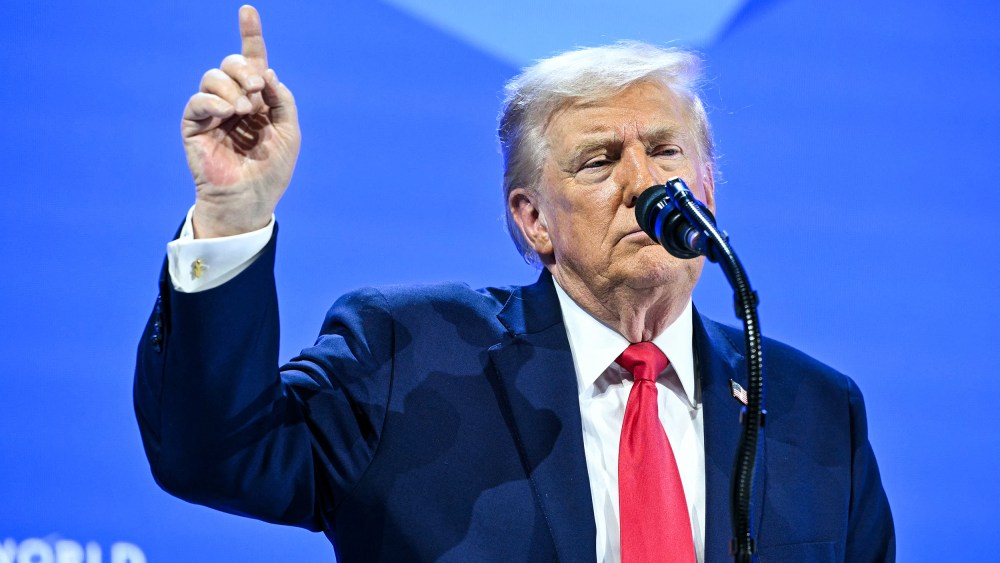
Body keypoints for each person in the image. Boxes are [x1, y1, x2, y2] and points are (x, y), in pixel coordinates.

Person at [134, 5, 894, 562]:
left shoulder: (815, 410)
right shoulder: (409, 356)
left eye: (666, 152)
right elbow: (215, 454)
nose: (644, 184)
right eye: (599, 161)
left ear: (707, 192)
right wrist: (233, 214)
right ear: (533, 220)